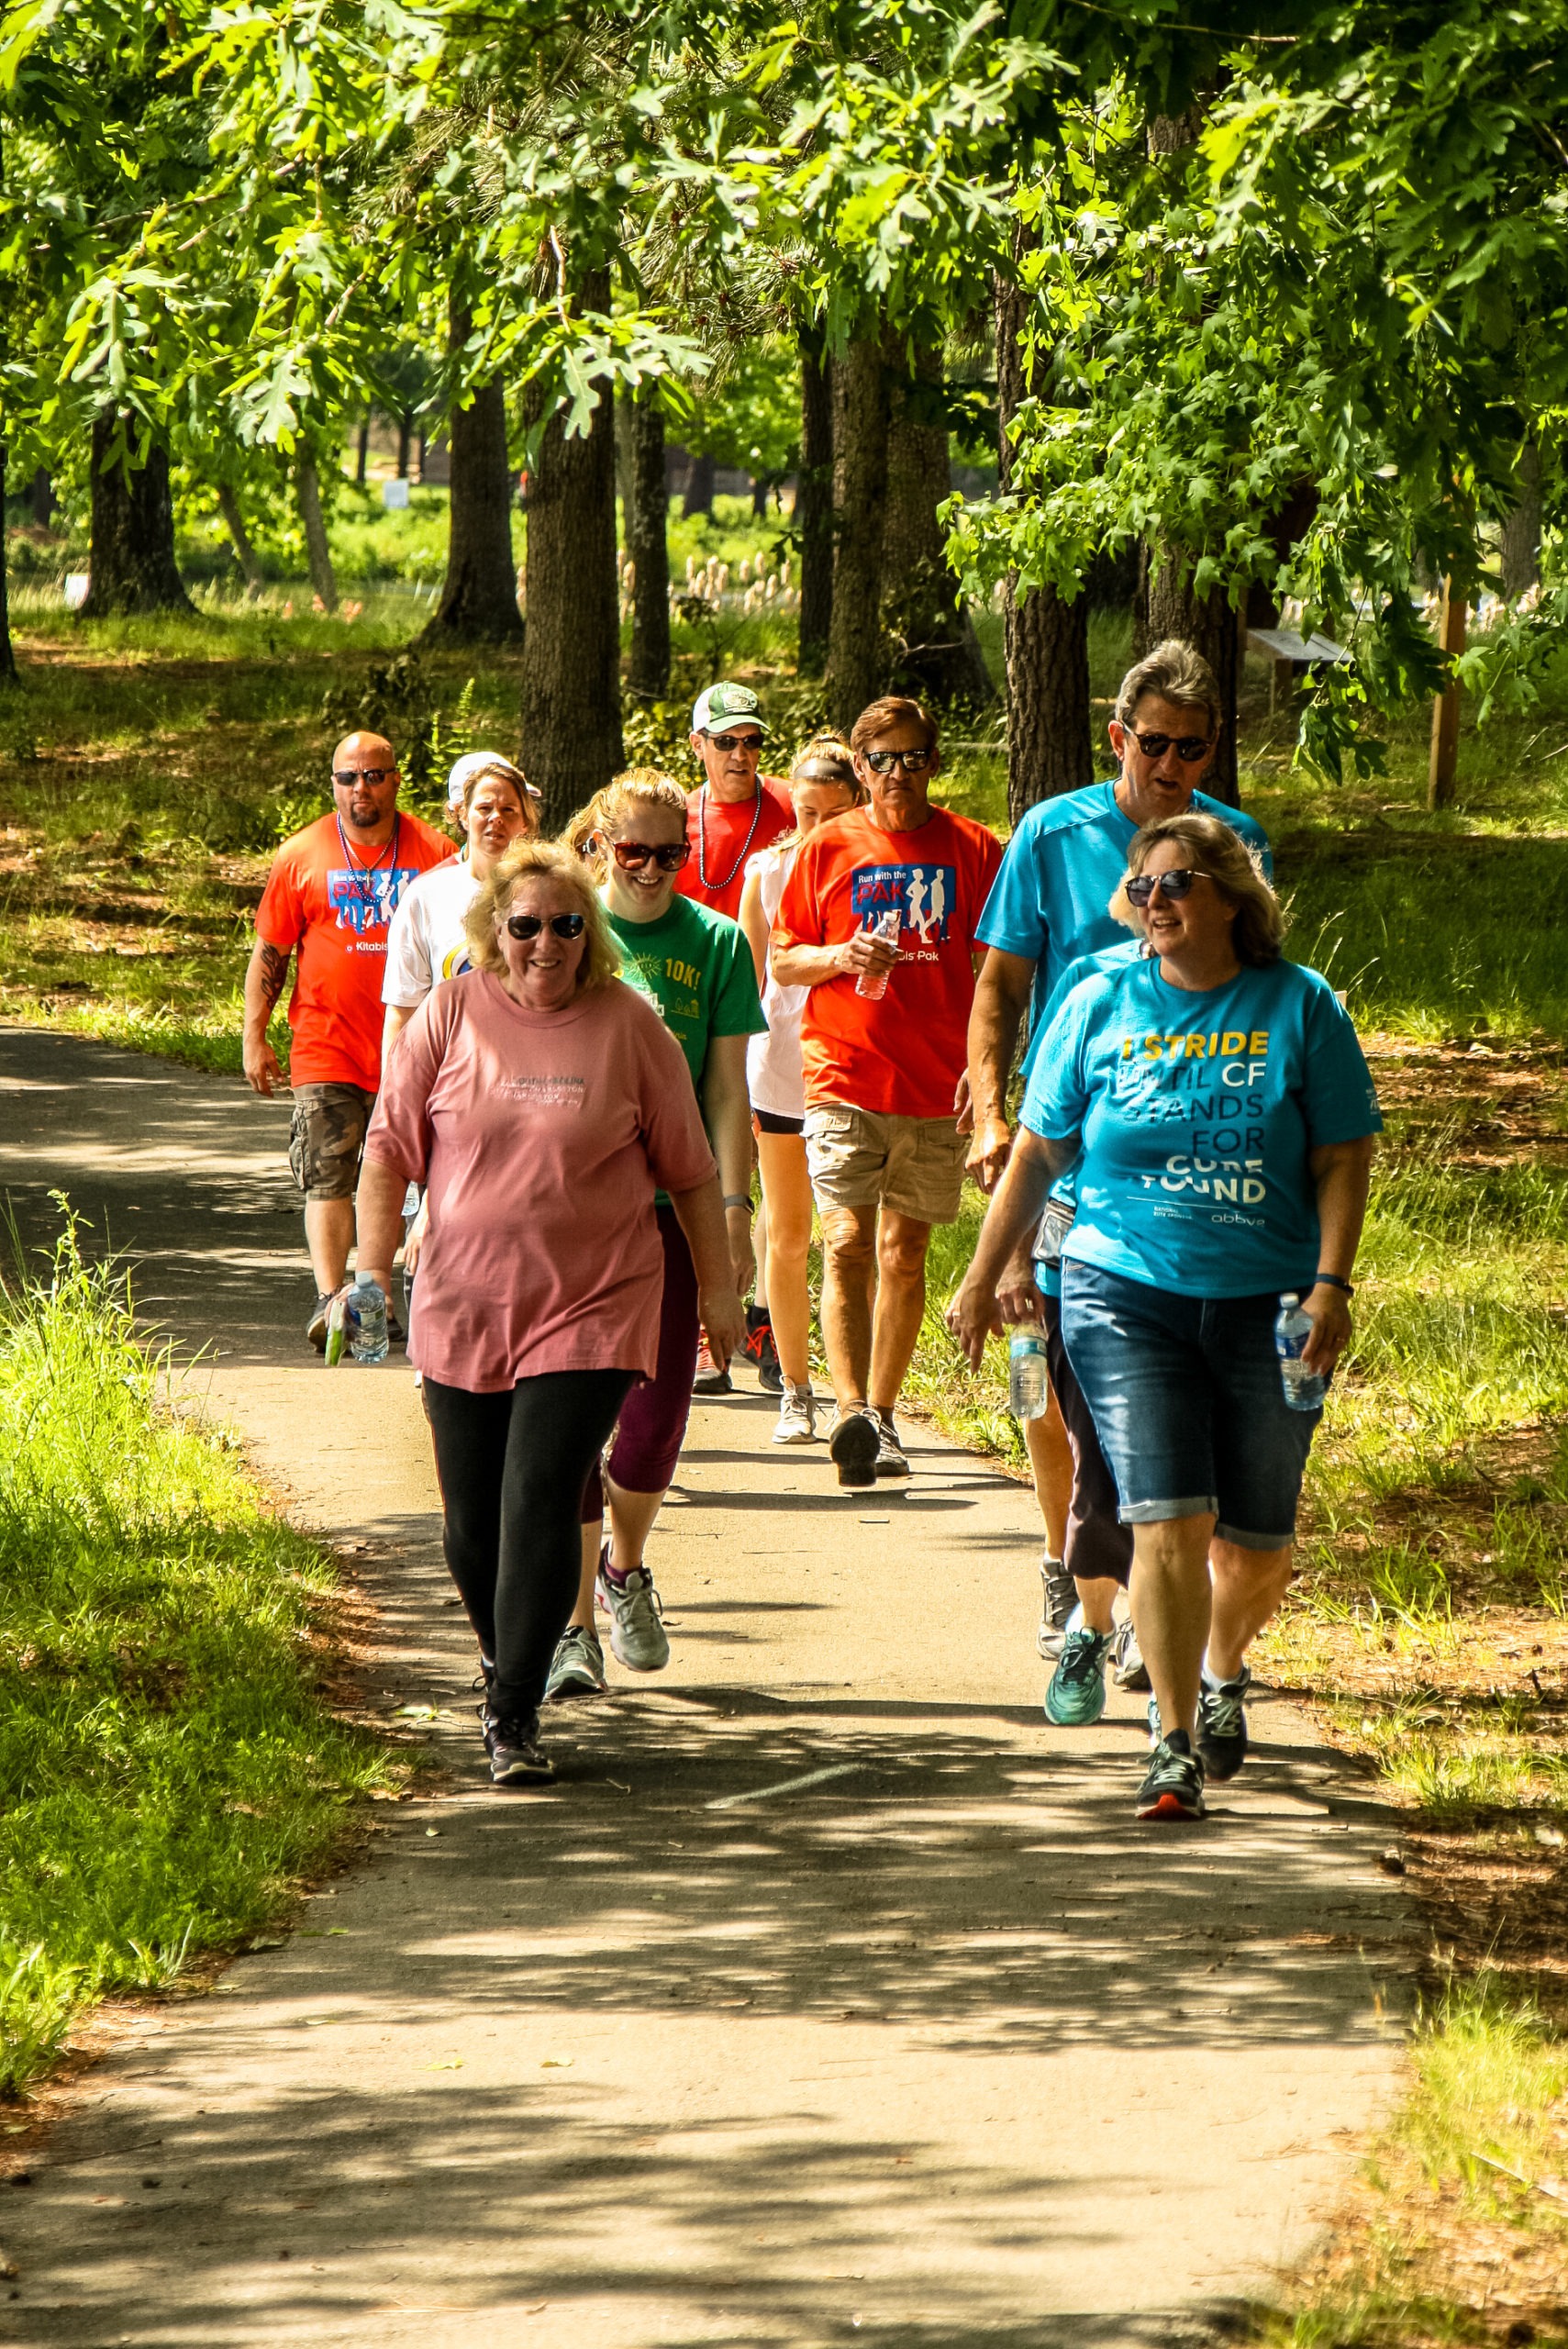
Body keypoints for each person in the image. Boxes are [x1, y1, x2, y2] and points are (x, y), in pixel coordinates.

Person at [949, 813, 1380, 1820]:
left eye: (1175, 883)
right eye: (1140, 888)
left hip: (1268, 1303)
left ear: (1230, 893)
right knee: (1165, 1517)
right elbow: (1039, 1151)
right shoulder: (1096, 997)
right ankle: (1172, 1742)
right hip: (1119, 1289)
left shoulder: (1298, 1005)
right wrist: (982, 1274)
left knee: (1258, 1545)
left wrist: (1329, 1284)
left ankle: (1222, 1665)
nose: (1155, 902)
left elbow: (1341, 1155)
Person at [353, 839, 745, 1786]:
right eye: (524, 925)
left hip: (594, 1303)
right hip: (464, 1303)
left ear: (589, 935)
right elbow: (385, 1153)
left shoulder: (629, 1026)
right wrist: (368, 1276)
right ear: (494, 931)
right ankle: (506, 1657)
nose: (545, 943)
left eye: (567, 925)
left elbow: (690, 1174)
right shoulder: (448, 1016)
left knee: (537, 1494)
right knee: (468, 1526)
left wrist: (722, 1289)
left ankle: (512, 1708)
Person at [965, 638, 1273, 1664]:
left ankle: (1140, 1583)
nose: (1172, 765)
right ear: (1117, 737)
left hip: (1185, 1164)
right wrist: (988, 1115)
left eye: (1192, 747)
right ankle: (1074, 1560)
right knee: (1050, 1376)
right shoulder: (1052, 832)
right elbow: (1000, 985)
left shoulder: (1235, 845)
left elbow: (1263, 992)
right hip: (1064, 1159)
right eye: (1154, 744)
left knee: (1151, 1386)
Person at [542, 768, 765, 1704]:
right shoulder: (560, 934)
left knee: (658, 1416)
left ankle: (622, 1568)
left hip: (675, 1216)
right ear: (595, 842)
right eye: (633, 851)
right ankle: (570, 1630)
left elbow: (724, 1090)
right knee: (567, 1421)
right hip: (573, 1218)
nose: (651, 869)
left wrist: (734, 1211)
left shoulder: (713, 942)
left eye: (672, 853)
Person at [771, 696, 1002, 1488]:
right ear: (859, 768)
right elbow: (784, 961)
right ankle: (850, 1415)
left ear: (933, 763)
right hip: (843, 1073)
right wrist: (840, 955)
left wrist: (988, 1064)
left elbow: (994, 970)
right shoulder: (825, 847)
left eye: (911, 758)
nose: (896, 774)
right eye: (880, 761)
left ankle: (886, 1411)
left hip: (936, 1084)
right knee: (843, 1243)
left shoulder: (974, 848)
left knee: (904, 1254)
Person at [243, 730, 452, 1350]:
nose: (362, 788)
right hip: (325, 1043)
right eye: (349, 777)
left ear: (395, 779)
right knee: (328, 1176)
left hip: (413, 1045)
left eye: (375, 775)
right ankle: (332, 1298)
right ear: (332, 783)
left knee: (392, 1174)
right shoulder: (301, 854)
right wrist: (253, 1034)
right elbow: (271, 951)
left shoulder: (434, 851)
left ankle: (377, 1293)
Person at [738, 736, 863, 1444]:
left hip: (853, 1070)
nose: (818, 828)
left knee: (848, 1239)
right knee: (788, 1237)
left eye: (834, 812)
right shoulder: (767, 870)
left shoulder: (875, 869)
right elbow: (748, 985)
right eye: (806, 811)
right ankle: (794, 1387)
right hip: (780, 1072)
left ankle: (862, 1400)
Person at [382, 752, 540, 1061]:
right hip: (450, 1073)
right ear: (463, 815)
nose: (496, 818)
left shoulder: (547, 895)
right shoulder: (425, 896)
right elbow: (402, 1011)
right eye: (484, 808)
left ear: (524, 822)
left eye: (509, 810)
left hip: (528, 1069)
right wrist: (393, 1100)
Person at [675, 682, 794, 923]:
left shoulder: (797, 803)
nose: (740, 755)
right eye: (726, 742)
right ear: (698, 745)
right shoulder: (677, 818)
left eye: (751, 741)